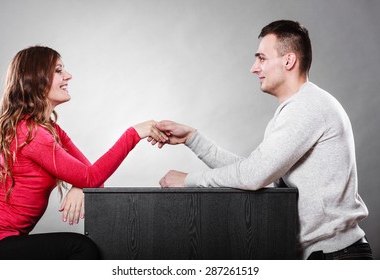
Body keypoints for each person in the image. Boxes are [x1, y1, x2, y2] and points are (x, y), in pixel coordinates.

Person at [155, 20, 373, 260]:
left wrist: (189, 180)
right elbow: (260, 175)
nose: (254, 68)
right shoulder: (298, 107)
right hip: (327, 256)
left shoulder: (307, 107)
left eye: (262, 58)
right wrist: (193, 139)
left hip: (336, 258)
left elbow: (253, 175)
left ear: (288, 61)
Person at [0, 46, 167, 259]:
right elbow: (91, 177)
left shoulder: (49, 130)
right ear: (35, 79)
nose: (68, 76)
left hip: (4, 240)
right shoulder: (31, 133)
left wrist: (79, 185)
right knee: (80, 248)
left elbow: (92, 178)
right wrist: (133, 134)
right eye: (58, 70)